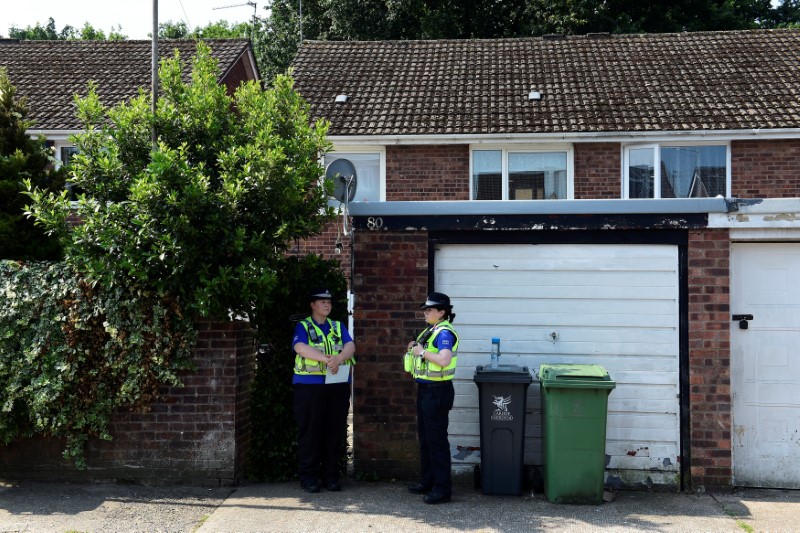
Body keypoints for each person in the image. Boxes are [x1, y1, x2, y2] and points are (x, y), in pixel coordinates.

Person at [292, 287, 356, 493]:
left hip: (336, 386)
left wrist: (339, 358)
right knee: (310, 433)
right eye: (322, 302)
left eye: (328, 302)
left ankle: (331, 477)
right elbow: (300, 347)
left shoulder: (338, 326)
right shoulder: (303, 326)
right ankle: (309, 478)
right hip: (309, 387)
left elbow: (350, 346)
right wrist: (328, 360)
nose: (327, 305)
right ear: (313, 305)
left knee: (333, 432)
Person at [405, 291, 459, 504]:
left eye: (429, 309)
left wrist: (420, 352)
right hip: (426, 390)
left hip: (438, 391)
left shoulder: (445, 333)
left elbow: (444, 360)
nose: (425, 312)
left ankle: (442, 488)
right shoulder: (431, 331)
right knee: (426, 439)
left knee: (436, 441)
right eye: (425, 309)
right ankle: (428, 481)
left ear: (442, 312)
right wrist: (414, 349)